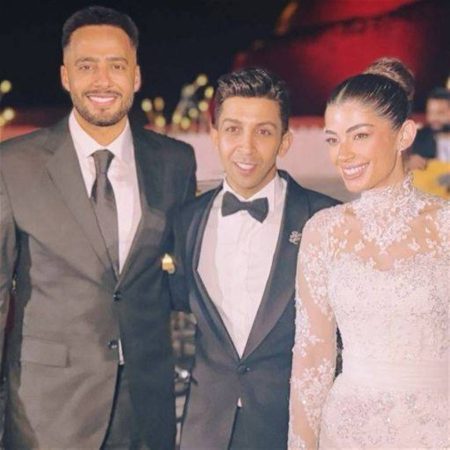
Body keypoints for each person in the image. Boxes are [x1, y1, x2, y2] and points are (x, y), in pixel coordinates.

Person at [0, 6, 196, 449]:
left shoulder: (175, 162)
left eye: (117, 66)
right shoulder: (13, 166)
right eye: (87, 66)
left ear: (136, 76)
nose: (102, 81)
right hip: (46, 415)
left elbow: (183, 277)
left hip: (146, 411)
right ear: (65, 76)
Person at [173, 67, 337, 450]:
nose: (246, 147)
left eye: (263, 132)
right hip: (204, 430)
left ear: (284, 141)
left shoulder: (325, 219)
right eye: (233, 130)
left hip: (291, 428)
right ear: (215, 135)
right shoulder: (185, 220)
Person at [288, 58, 449, 448]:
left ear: (404, 135)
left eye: (359, 136)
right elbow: (312, 360)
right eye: (332, 139)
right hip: (349, 431)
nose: (342, 154)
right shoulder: (323, 232)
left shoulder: (445, 225)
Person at [407, 87, 450, 170]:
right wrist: (407, 164)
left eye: (440, 113)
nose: (434, 118)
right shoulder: (418, 138)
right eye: (430, 112)